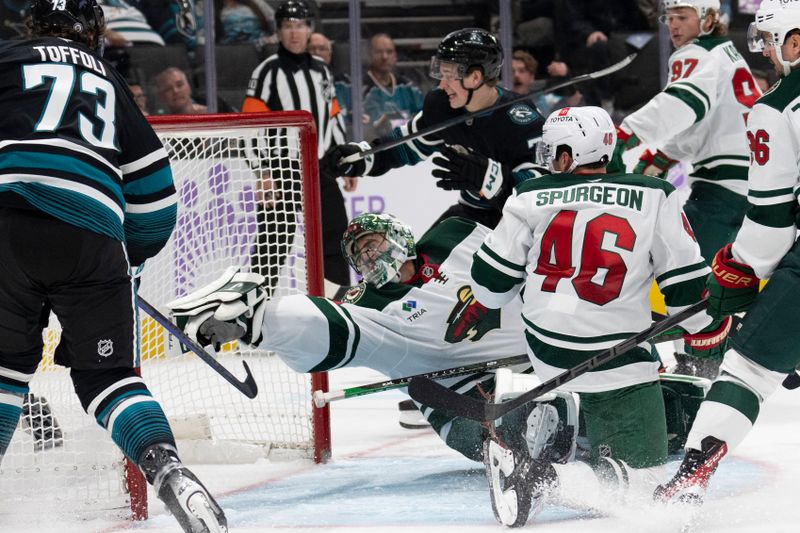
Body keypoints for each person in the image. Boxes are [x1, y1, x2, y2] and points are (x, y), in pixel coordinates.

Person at [0, 1, 226, 532]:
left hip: (6, 221)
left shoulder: (6, 58)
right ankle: (171, 473)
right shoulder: (111, 82)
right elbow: (155, 199)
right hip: (93, 235)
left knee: (5, 373)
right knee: (109, 379)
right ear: (95, 33)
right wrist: (125, 259)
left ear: (32, 27)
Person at [469, 106, 729, 527]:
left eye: (553, 151)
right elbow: (687, 293)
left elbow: (488, 288)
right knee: (646, 489)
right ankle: (540, 475)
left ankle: (555, 414)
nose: (550, 160)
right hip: (616, 360)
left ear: (569, 155)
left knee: (568, 361)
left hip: (545, 353)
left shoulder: (529, 196)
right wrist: (711, 329)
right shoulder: (654, 193)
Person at [168, 212, 555, 463]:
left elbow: (522, 256)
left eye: (373, 244)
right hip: (463, 398)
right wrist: (261, 322)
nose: (368, 258)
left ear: (399, 234)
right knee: (522, 431)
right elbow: (331, 325)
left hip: (539, 355)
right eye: (360, 256)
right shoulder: (366, 304)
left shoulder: (454, 234)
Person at [654, 0, 800, 506]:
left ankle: (688, 480)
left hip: (721, 190)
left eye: (770, 41)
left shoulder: (779, 104)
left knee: (750, 370)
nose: (766, 55)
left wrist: (741, 270)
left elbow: (772, 222)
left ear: (795, 42)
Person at [607, 0, 761, 379]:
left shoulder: (694, 55)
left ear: (708, 19)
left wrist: (628, 134)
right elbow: (707, 122)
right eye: (669, 18)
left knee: (682, 277)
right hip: (749, 184)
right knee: (709, 279)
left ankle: (696, 369)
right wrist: (664, 154)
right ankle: (722, 351)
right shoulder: (724, 54)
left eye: (682, 17)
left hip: (723, 192)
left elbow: (685, 103)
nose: (673, 26)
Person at [320, 28, 546, 231]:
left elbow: (542, 191)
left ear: (475, 77)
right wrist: (359, 158)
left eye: (449, 77)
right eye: (442, 75)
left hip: (519, 224)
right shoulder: (443, 107)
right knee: (415, 272)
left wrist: (490, 178)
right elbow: (402, 146)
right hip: (472, 214)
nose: (442, 85)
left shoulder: (521, 120)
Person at [242, 0, 352, 295]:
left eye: (300, 26)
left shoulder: (321, 71)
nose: (295, 33)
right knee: (273, 243)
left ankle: (339, 305)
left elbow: (333, 116)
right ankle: (255, 307)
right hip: (282, 168)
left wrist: (346, 160)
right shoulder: (266, 72)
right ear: (279, 31)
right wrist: (262, 171)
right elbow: (251, 125)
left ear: (309, 30)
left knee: (335, 238)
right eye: (288, 26)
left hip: (321, 166)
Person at [362, 33, 425, 138]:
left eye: (389, 52)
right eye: (378, 52)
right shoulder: (359, 88)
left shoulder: (408, 86)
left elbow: (424, 116)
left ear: (395, 55)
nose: (384, 57)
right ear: (369, 54)